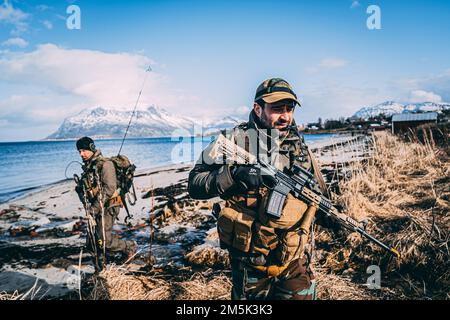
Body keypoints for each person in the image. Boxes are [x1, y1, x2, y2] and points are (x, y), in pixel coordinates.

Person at [188, 78, 328, 300]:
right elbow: (195, 183)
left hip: (293, 258)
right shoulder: (233, 140)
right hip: (250, 261)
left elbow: (320, 195)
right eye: (276, 109)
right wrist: (233, 176)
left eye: (289, 109)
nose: (285, 116)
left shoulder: (299, 147)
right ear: (257, 108)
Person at [75, 137, 137, 269]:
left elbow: (109, 189)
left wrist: (94, 209)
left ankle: (129, 247)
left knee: (104, 241)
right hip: (96, 207)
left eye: (84, 150)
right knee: (92, 241)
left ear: (92, 148)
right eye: (79, 151)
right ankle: (100, 267)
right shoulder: (89, 167)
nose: (81, 154)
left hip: (110, 205)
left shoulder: (106, 165)